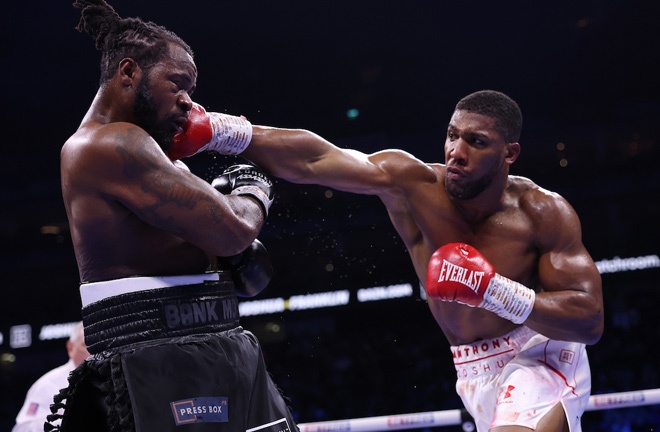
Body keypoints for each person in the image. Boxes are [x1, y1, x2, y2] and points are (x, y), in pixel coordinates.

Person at [169, 90, 604, 431]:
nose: (457, 150)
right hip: (470, 366)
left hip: (539, 352)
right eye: (453, 135)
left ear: (509, 154)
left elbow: (589, 321)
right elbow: (317, 158)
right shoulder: (412, 185)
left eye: (476, 142)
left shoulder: (542, 211)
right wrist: (218, 131)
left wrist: (495, 291)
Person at [52, 1, 294, 431]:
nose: (188, 102)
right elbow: (235, 231)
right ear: (128, 73)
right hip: (159, 358)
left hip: (215, 342)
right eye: (177, 84)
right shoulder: (107, 144)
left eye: (191, 90)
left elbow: (227, 251)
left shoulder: (153, 154)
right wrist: (255, 187)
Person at [13, 322, 89, 432]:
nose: (92, 351)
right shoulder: (47, 384)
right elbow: (23, 428)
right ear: (71, 347)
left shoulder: (112, 379)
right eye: (85, 345)